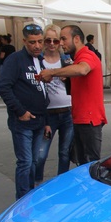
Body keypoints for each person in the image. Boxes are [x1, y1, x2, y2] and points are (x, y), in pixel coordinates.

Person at [39, 25, 107, 165]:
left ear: (76, 39)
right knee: (82, 163)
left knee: (90, 165)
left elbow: (82, 69)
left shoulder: (87, 55)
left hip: (89, 119)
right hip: (81, 118)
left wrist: (52, 72)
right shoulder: (77, 58)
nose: (61, 43)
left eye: (63, 39)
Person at [0, 23, 49, 200]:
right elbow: (4, 88)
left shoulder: (41, 60)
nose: (37, 46)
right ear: (24, 41)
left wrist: (47, 120)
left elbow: (43, 91)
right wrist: (20, 111)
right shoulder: (15, 60)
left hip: (39, 120)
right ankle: (22, 199)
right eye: (32, 42)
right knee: (25, 162)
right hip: (22, 122)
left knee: (34, 161)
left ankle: (29, 196)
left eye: (39, 41)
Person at [35, 24, 74, 185]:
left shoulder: (66, 60)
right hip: (48, 114)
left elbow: (76, 81)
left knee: (65, 153)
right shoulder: (38, 61)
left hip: (67, 111)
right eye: (48, 40)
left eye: (56, 40)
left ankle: (60, 185)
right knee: (41, 154)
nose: (52, 44)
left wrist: (69, 77)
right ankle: (36, 183)